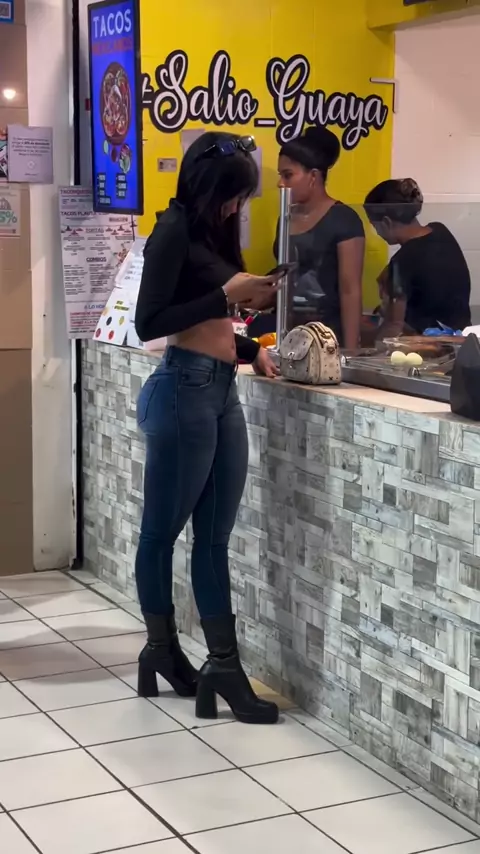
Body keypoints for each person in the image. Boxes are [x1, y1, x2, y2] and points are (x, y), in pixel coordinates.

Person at [133, 132, 281, 725]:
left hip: (220, 390)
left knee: (214, 538)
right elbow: (151, 321)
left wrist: (249, 346)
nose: (236, 208)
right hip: (182, 391)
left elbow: (211, 320)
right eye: (231, 197)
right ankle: (161, 649)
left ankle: (223, 665)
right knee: (160, 534)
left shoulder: (209, 231)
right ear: (205, 187)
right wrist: (225, 293)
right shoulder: (172, 229)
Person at [248, 127, 365, 348]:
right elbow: (287, 275)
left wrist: (350, 350)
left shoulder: (344, 219)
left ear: (313, 176)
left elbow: (350, 290)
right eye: (280, 175)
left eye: (288, 175)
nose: (280, 183)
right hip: (286, 331)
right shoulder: (286, 217)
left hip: (326, 335)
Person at [364, 178, 471, 335]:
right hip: (464, 337)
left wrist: (367, 342)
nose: (377, 233)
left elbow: (393, 327)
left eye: (375, 226)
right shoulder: (440, 230)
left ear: (386, 222)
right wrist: (392, 273)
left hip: (435, 344)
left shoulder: (402, 261)